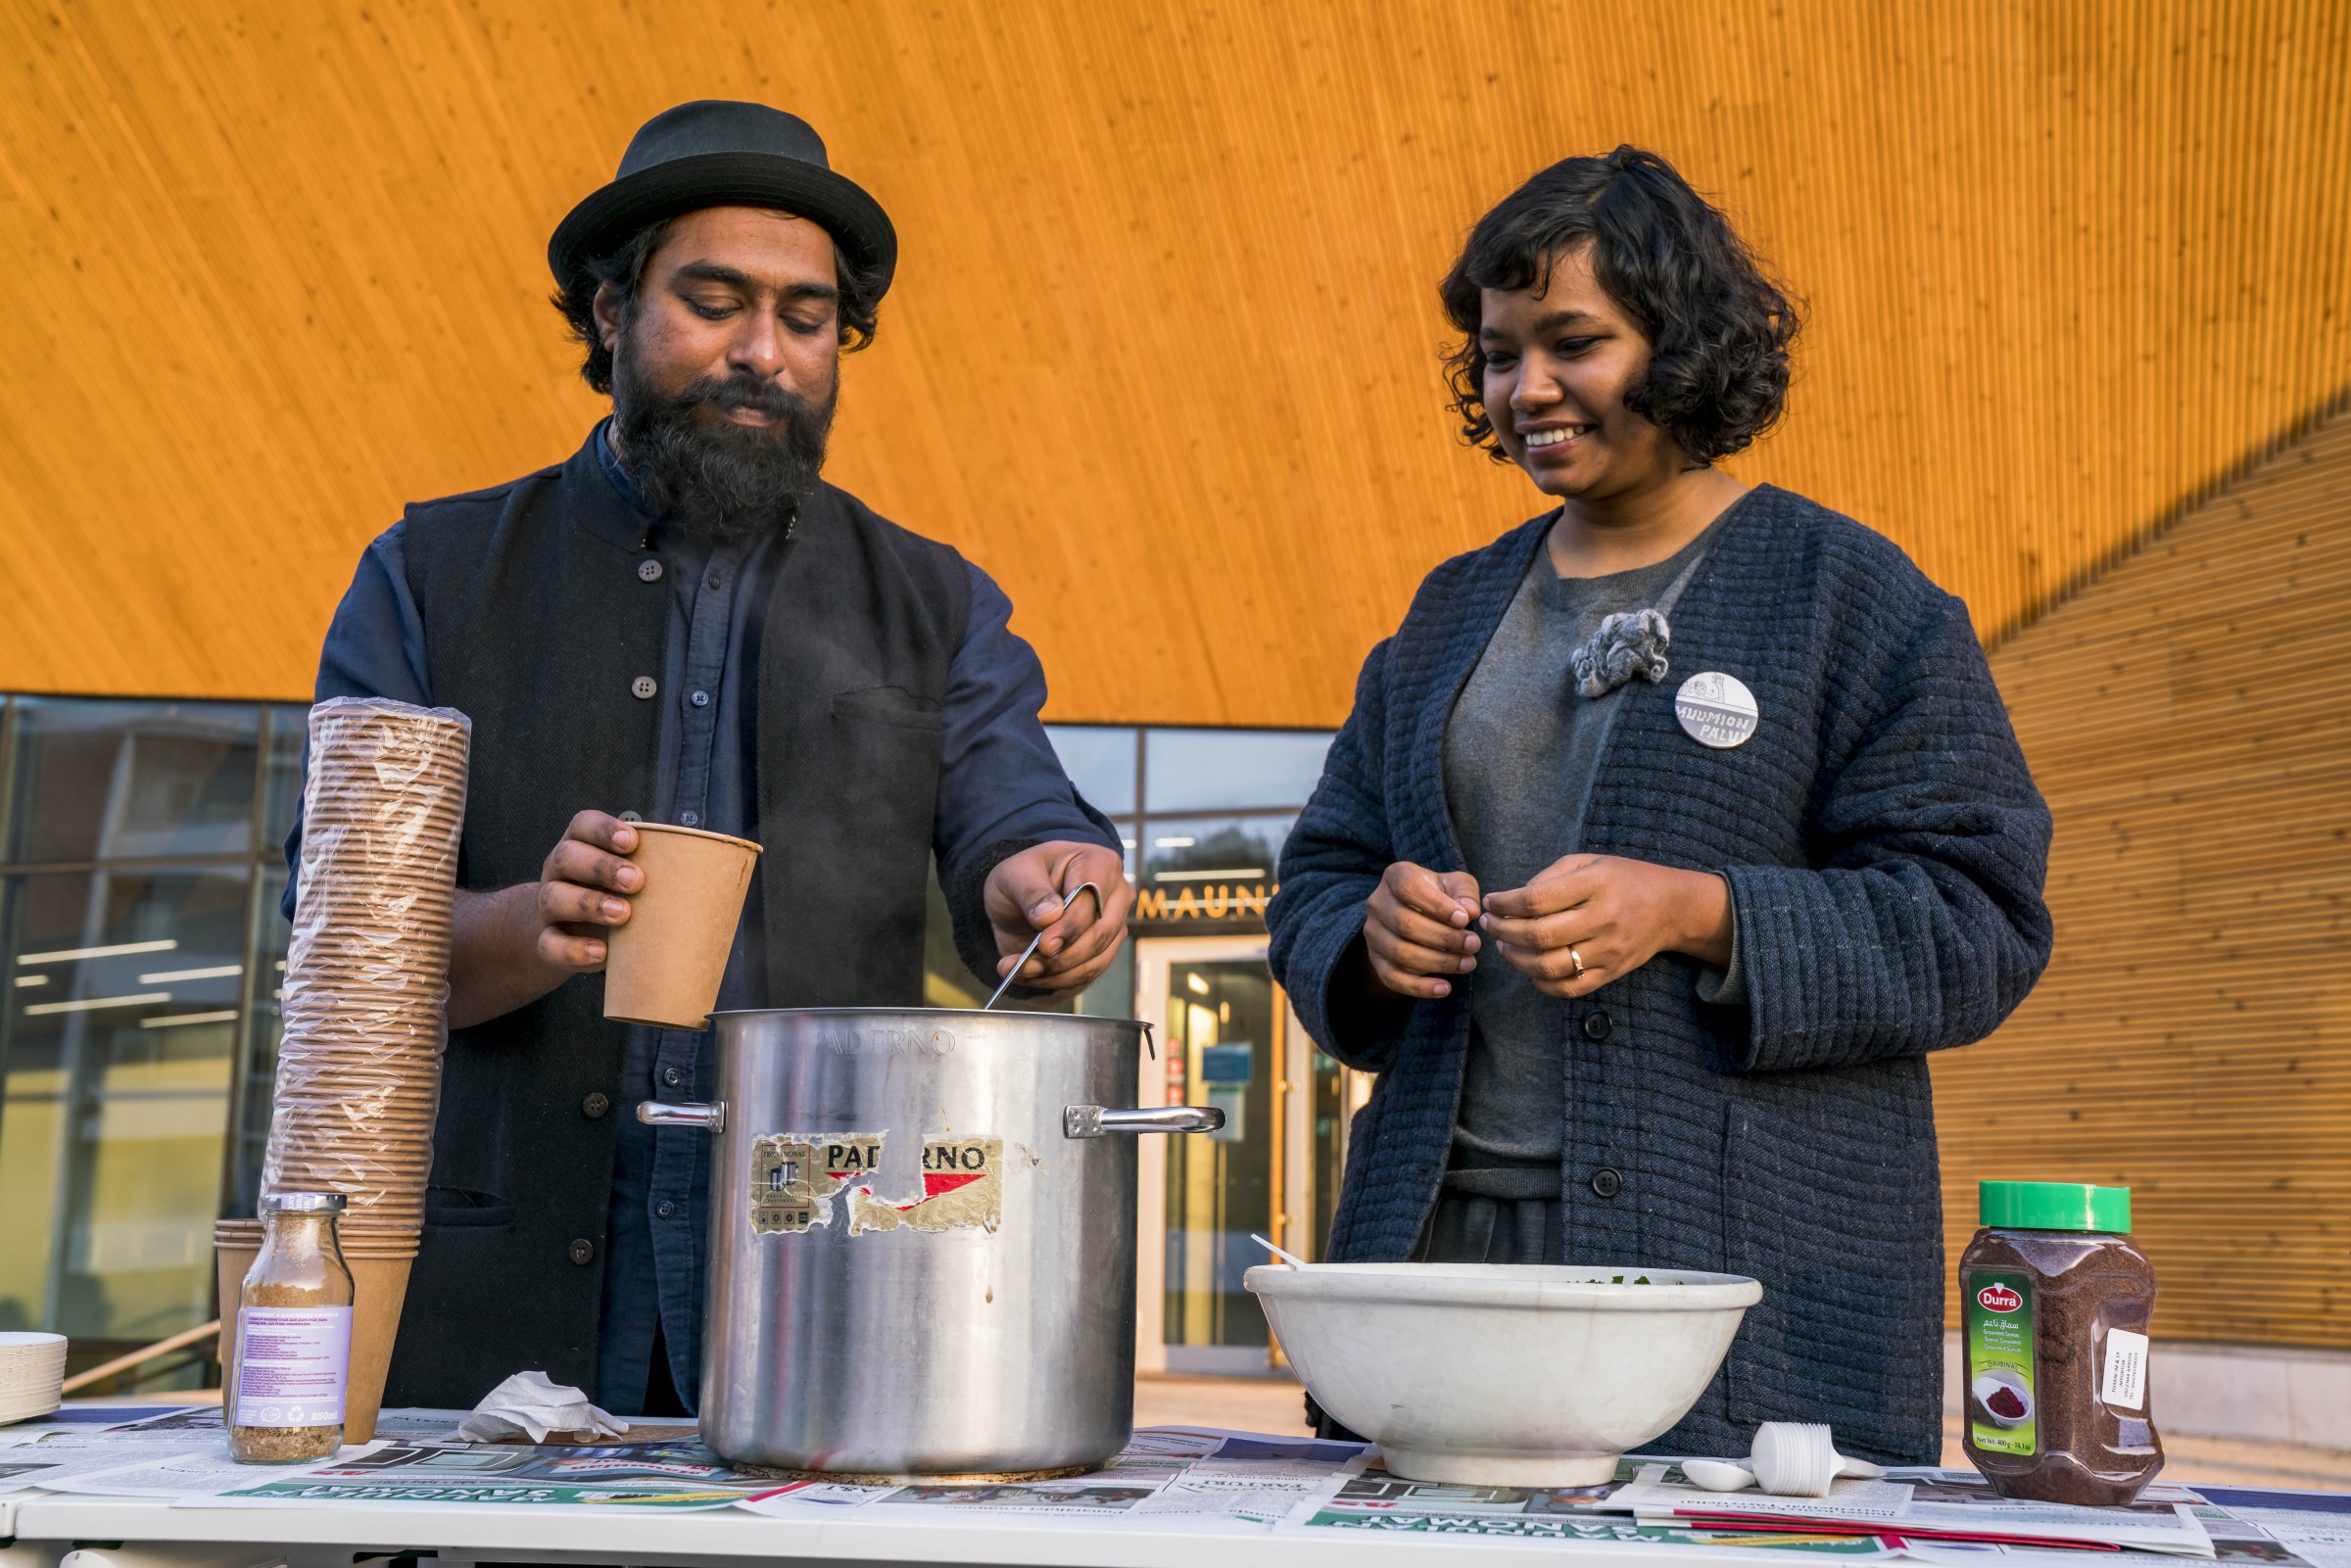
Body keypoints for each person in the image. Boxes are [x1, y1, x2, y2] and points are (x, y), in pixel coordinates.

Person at [288, 101, 1132, 1414]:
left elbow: (1011, 809)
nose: (763, 352)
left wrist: (1046, 872)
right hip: (477, 1321)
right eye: (715, 300)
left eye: (805, 318)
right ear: (610, 312)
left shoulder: (934, 599)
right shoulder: (430, 575)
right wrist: (530, 924)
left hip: (824, 1306)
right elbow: (340, 949)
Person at [1266, 147, 2052, 1463]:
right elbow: (1322, 873)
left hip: (1735, 1282)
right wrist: (1365, 932)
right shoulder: (1449, 611)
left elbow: (1980, 919)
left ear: (1682, 347)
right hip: (1441, 1251)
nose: (1527, 391)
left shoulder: (1848, 599)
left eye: (1574, 342)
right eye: (1499, 353)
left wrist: (1701, 912)